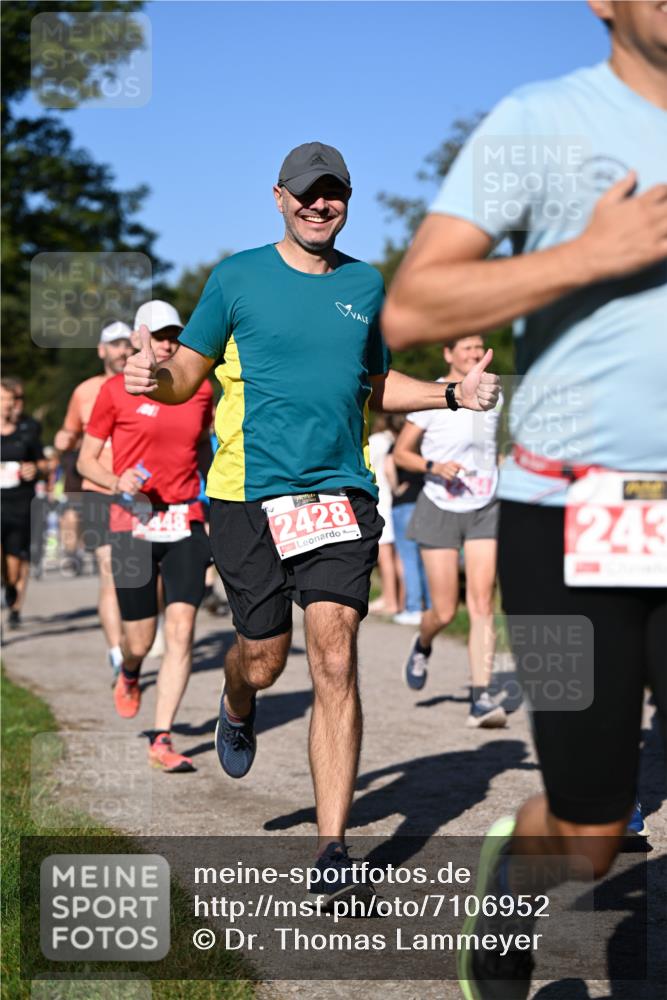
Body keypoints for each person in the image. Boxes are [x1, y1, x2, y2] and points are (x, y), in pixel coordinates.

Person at [122, 141, 500, 895]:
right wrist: (153, 376)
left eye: (332, 193)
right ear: (278, 197)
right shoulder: (236, 276)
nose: (318, 204)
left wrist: (450, 395)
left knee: (333, 655)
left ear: (347, 200)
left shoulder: (364, 283)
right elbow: (187, 373)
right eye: (305, 192)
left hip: (338, 495)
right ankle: (236, 699)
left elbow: (375, 384)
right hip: (246, 495)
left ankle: (333, 853)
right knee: (262, 658)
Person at [382, 3, 666, 996]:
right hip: (565, 519)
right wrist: (593, 254)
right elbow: (414, 304)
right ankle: (511, 892)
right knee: (589, 832)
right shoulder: (542, 119)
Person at [78, 301, 214, 772]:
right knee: (141, 638)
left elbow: (205, 448)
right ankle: (131, 671)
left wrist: (212, 498)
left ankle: (162, 737)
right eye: (159, 335)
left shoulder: (199, 390)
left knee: (182, 632)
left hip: (185, 520)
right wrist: (117, 482)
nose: (169, 343)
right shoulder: (114, 392)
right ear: (140, 338)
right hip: (131, 522)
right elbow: (85, 460)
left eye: (175, 334)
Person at [393, 335, 505, 727]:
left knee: (482, 603)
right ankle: (423, 643)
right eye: (467, 349)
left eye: (479, 348)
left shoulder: (496, 395)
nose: (475, 354)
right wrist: (434, 467)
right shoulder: (433, 395)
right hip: (439, 504)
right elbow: (401, 453)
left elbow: (496, 446)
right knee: (443, 610)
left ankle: (481, 697)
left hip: (485, 505)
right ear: (448, 354)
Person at [54, 322, 134, 674]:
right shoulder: (84, 392)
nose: (122, 352)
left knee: (150, 573)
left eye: (127, 345)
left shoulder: (146, 386)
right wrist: (62, 441)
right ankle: (117, 652)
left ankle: (141, 634)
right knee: (109, 573)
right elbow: (69, 432)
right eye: (114, 345)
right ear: (101, 350)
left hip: (142, 493)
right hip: (99, 492)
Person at [1, 378, 45, 627]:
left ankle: (11, 591)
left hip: (20, 505)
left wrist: (35, 470)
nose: (7, 405)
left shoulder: (28, 431)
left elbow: (45, 464)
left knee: (15, 562)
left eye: (10, 400)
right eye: (3, 400)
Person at [385, 422, 431, 625]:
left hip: (404, 505)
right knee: (427, 558)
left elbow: (388, 467)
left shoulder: (398, 445)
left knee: (408, 558)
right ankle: (430, 607)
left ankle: (413, 608)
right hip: (426, 502)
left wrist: (395, 488)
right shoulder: (426, 443)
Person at [367, 414, 402, 615]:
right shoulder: (394, 440)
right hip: (394, 500)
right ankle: (396, 598)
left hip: (381, 502)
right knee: (397, 555)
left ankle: (391, 601)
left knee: (385, 555)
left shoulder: (376, 441)